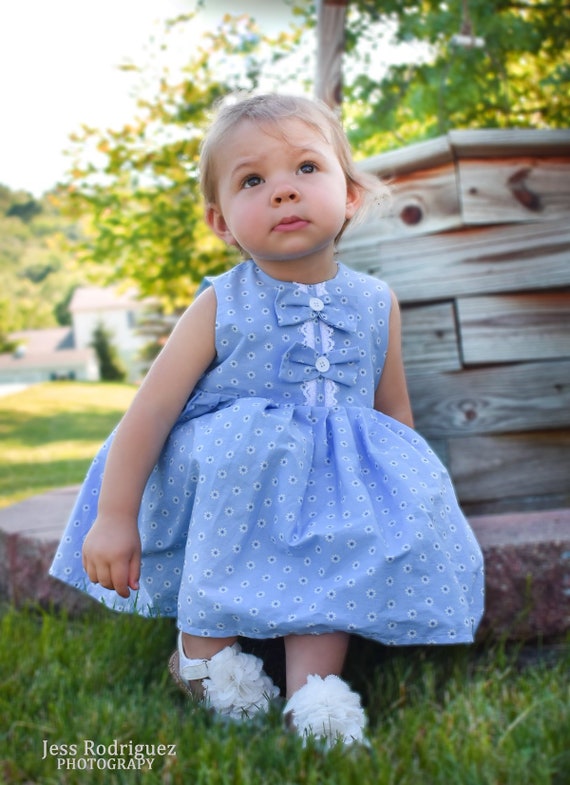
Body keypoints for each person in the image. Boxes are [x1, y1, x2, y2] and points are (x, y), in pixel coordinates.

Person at [50, 93, 484, 746]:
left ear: (350, 196)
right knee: (243, 451)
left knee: (337, 542)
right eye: (254, 180)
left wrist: (407, 490)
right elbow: (150, 410)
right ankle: (209, 664)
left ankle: (316, 694)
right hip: (232, 484)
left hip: (330, 486)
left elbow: (390, 409)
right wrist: (115, 515)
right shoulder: (221, 302)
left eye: (307, 168)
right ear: (221, 221)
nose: (283, 191)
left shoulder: (375, 301)